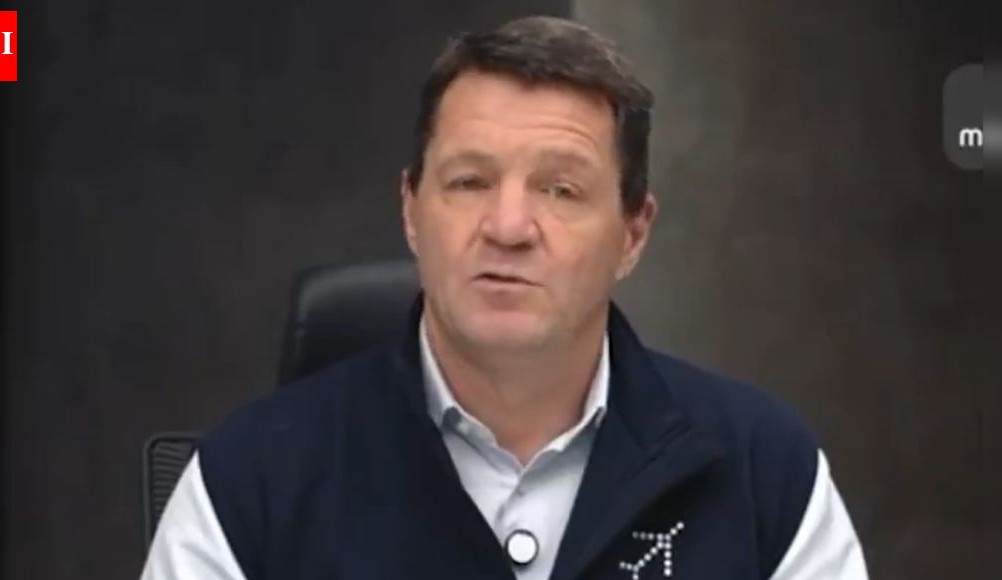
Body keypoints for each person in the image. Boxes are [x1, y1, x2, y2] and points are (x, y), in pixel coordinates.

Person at [140, 15, 870, 580]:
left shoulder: (763, 472)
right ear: (410, 210)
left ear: (632, 233)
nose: (509, 227)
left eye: (561, 190)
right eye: (469, 182)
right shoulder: (250, 482)